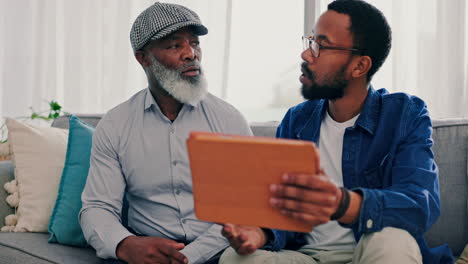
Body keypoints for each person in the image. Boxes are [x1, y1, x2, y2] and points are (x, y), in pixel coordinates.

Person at [220, 0, 453, 264]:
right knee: (234, 258)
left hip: (370, 251)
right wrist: (261, 232)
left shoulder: (404, 114)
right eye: (310, 42)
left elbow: (418, 206)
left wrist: (342, 203)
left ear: (359, 66)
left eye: (321, 45)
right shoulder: (297, 120)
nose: (306, 55)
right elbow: (281, 209)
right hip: (307, 257)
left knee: (392, 241)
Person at [79, 2, 252, 264]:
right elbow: (98, 207)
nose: (190, 53)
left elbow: (245, 209)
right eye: (175, 45)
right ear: (143, 58)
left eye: (194, 43)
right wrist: (125, 245)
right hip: (143, 254)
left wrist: (187, 257)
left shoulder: (229, 120)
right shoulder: (116, 124)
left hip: (218, 253)